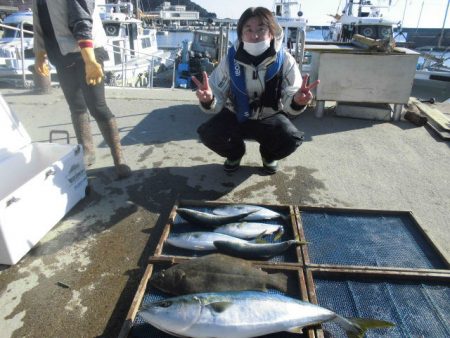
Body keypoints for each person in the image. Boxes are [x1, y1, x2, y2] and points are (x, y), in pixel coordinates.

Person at [193, 7, 319, 175]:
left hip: (269, 116)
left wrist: (297, 100)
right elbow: (216, 92)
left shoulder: (285, 59)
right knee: (207, 133)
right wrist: (208, 99)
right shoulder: (230, 60)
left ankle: (268, 155)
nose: (255, 35)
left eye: (261, 29)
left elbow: (292, 92)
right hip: (235, 114)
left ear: (272, 32)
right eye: (248, 29)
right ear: (241, 34)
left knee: (291, 139)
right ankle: (235, 153)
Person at [33, 0, 131, 179]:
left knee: (97, 106)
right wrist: (39, 53)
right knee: (76, 106)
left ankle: (119, 157)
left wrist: (89, 59)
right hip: (61, 55)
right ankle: (87, 152)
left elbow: (82, 18)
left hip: (88, 52)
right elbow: (39, 22)